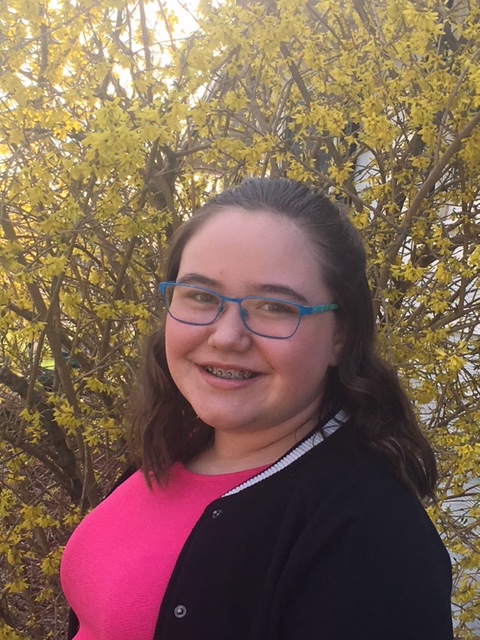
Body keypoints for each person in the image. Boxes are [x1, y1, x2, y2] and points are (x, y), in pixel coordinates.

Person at [61, 178, 453, 640]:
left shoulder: (373, 539)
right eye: (201, 296)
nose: (227, 337)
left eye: (274, 307)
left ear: (340, 336)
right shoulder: (176, 447)